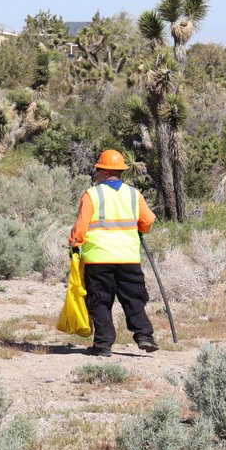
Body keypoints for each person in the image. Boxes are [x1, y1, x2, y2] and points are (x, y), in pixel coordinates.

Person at [68, 149, 159, 356]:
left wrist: (74, 243)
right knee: (134, 298)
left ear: (104, 171)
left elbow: (80, 228)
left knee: (100, 300)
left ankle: (103, 345)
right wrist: (140, 229)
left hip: (98, 258)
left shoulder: (92, 194)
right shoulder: (134, 194)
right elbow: (148, 221)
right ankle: (144, 336)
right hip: (128, 258)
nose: (97, 173)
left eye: (98, 169)